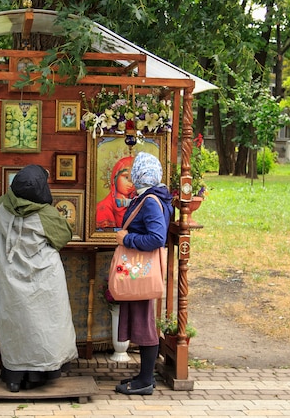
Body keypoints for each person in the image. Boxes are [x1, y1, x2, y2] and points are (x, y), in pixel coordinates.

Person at [0, 164, 77, 393]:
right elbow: (63, 236)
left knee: (16, 327)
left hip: (10, 279)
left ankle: (14, 378)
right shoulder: (46, 214)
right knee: (42, 326)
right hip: (44, 279)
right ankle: (40, 377)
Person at [113, 152, 173, 396]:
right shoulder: (153, 196)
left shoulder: (149, 201)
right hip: (141, 269)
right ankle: (144, 376)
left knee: (145, 322)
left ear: (140, 174)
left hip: (141, 271)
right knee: (142, 319)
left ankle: (146, 380)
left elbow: (157, 237)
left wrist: (127, 238)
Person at [95, 156, 137, 229]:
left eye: (134, 179)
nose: (131, 184)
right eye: (126, 177)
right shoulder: (104, 207)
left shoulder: (137, 202)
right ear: (115, 178)